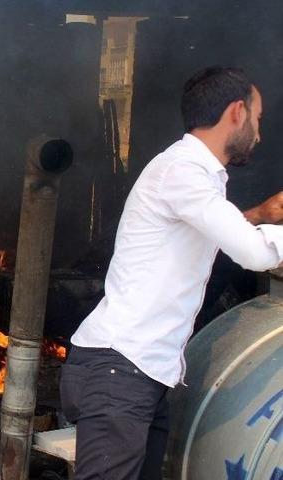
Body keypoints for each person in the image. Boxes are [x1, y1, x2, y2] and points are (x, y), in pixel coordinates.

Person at [60, 66, 283, 480]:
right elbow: (253, 254)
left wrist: (257, 215)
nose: (259, 133)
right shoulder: (183, 172)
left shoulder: (194, 177)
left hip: (142, 375)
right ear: (237, 112)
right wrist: (267, 234)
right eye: (258, 119)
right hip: (120, 370)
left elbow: (202, 230)